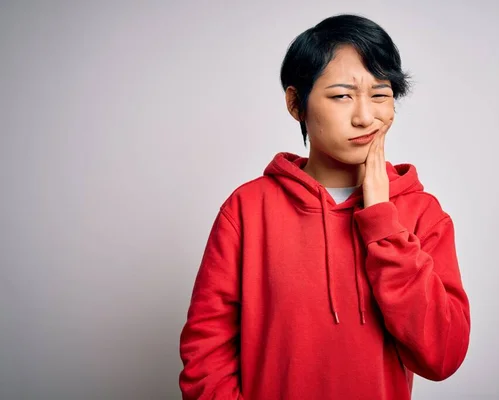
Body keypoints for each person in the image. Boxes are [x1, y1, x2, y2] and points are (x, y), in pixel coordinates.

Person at [179, 13, 471, 400]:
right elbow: (206, 355)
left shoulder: (421, 213)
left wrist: (383, 221)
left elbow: (443, 356)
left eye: (380, 94)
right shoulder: (246, 210)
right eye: (341, 96)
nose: (365, 116)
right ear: (295, 103)